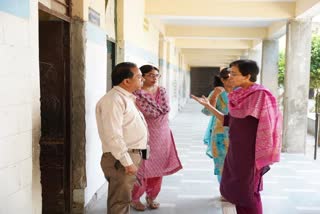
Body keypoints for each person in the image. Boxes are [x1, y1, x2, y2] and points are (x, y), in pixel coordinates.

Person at [192, 60, 282, 214]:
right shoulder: (238, 94)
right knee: (237, 192)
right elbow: (228, 120)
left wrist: (261, 153)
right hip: (234, 151)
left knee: (249, 194)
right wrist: (209, 106)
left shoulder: (260, 95)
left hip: (251, 154)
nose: (230, 77)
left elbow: (269, 126)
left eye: (234, 74)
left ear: (247, 76)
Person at [96, 62, 148, 214]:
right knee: (120, 200)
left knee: (123, 198)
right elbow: (113, 134)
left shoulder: (125, 97)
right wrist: (127, 161)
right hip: (120, 158)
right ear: (126, 81)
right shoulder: (114, 100)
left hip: (128, 155)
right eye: (139, 77)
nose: (142, 80)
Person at [131, 65, 182, 211]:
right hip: (144, 135)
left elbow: (165, 110)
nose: (154, 78)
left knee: (158, 168)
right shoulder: (136, 94)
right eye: (150, 75)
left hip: (162, 135)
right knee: (142, 167)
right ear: (142, 76)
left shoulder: (162, 91)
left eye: (156, 75)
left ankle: (152, 196)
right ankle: (135, 198)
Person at [201, 68, 232, 183]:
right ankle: (224, 189)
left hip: (237, 132)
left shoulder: (241, 92)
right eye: (229, 77)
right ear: (222, 80)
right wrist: (215, 95)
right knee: (221, 161)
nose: (233, 80)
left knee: (236, 162)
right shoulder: (216, 93)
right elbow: (207, 112)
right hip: (220, 133)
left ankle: (234, 188)